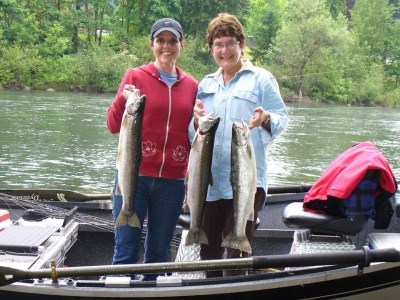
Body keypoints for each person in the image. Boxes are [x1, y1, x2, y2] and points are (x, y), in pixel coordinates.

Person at [189, 13, 289, 278]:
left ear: (241, 44)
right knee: (207, 256)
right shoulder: (205, 84)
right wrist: (196, 121)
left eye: (230, 42)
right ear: (211, 48)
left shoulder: (262, 79)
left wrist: (265, 118)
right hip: (209, 185)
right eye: (218, 44)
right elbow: (195, 134)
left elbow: (281, 118)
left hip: (247, 183)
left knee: (237, 258)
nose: (224, 50)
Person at [106, 18, 198, 281]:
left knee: (158, 256)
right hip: (133, 177)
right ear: (152, 44)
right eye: (161, 41)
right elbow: (113, 125)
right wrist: (122, 100)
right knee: (125, 251)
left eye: (172, 40)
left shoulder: (192, 86)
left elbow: (194, 136)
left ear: (182, 44)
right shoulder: (135, 76)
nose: (166, 46)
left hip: (172, 183)